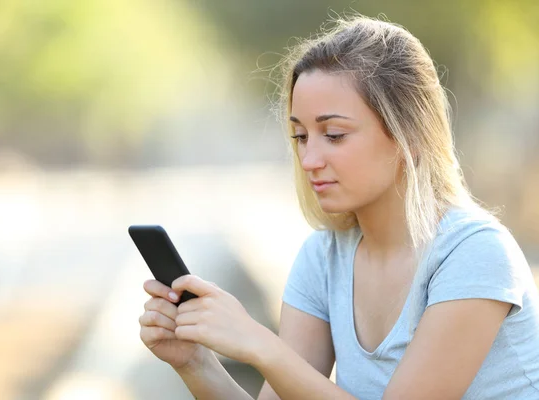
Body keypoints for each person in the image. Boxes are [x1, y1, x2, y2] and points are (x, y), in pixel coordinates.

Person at [138, 15, 539, 399]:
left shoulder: (475, 254)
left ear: (410, 137)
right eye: (300, 136)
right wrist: (196, 363)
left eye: (333, 134)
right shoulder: (323, 258)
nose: (309, 159)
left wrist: (259, 343)